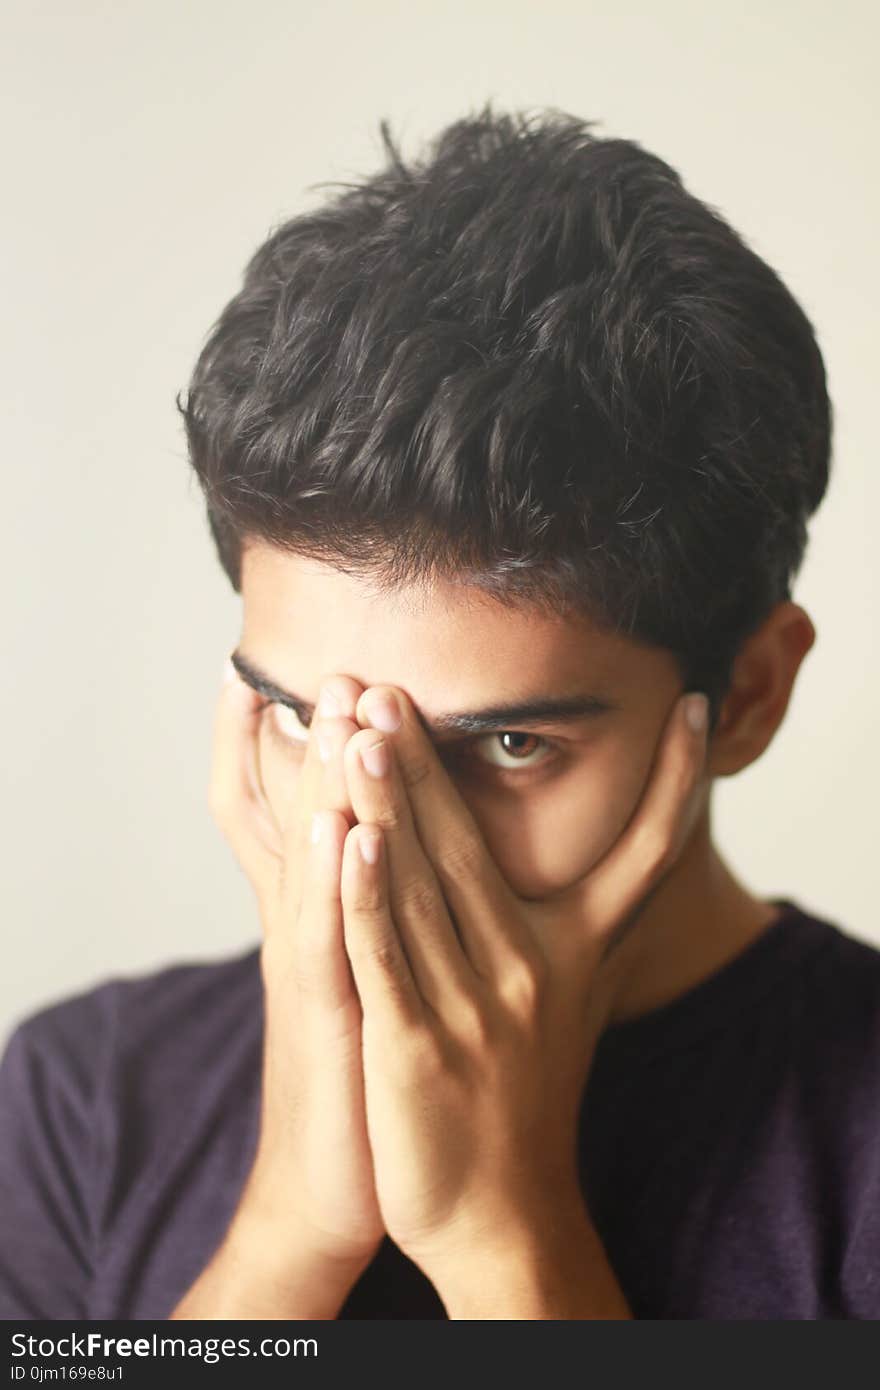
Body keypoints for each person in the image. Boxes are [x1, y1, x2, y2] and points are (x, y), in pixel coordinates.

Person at [2, 102, 877, 1322]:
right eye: (305, 718)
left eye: (510, 745)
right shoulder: (82, 1094)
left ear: (747, 697)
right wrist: (290, 1233)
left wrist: (502, 1239)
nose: (370, 825)